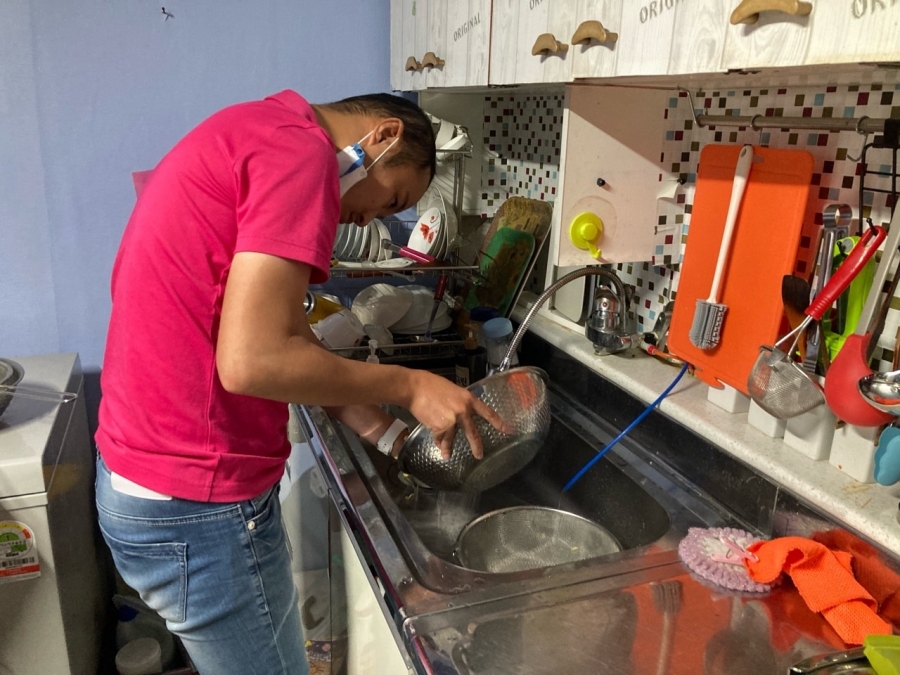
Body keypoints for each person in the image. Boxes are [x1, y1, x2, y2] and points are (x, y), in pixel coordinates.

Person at [94, 89, 503, 675]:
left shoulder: (260, 129)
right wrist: (410, 385)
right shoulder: (301, 155)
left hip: (147, 479)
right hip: (198, 496)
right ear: (384, 136)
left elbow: (285, 333)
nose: (372, 218)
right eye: (392, 199)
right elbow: (253, 361)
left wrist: (388, 435)